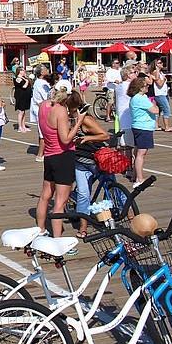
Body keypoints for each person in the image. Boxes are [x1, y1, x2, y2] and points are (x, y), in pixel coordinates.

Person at [36, 81, 85, 240]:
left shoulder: (44, 105)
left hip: (49, 156)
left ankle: (41, 229)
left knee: (45, 196)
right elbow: (65, 139)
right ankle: (57, 239)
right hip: (62, 157)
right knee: (60, 202)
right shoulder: (61, 111)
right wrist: (78, 122)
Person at [65, 91, 109, 238]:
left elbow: (105, 135)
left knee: (111, 189)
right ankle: (83, 227)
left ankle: (131, 218)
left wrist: (87, 138)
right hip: (80, 162)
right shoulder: (70, 119)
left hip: (95, 160)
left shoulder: (86, 120)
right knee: (83, 195)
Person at [129, 76, 159, 187]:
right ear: (140, 87)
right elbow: (155, 110)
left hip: (139, 126)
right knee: (141, 154)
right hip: (143, 128)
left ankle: (135, 175)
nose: (148, 87)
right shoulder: (140, 98)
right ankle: (139, 179)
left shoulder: (138, 97)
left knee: (137, 152)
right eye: (146, 85)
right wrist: (154, 105)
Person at [30, 64, 52, 162]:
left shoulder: (41, 82)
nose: (48, 70)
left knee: (42, 132)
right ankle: (40, 154)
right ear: (42, 73)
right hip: (41, 110)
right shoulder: (40, 83)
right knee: (43, 132)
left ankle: (43, 151)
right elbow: (46, 96)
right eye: (46, 69)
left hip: (40, 109)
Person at [149, 59, 172, 132]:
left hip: (164, 93)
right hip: (159, 94)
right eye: (159, 63)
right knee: (167, 109)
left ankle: (156, 126)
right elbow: (159, 84)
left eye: (162, 62)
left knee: (158, 110)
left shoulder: (160, 73)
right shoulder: (155, 73)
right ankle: (167, 127)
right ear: (156, 65)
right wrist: (164, 79)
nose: (162, 64)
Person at [115, 66, 137, 147]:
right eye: (134, 72)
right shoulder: (129, 87)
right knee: (129, 145)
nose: (136, 74)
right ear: (128, 75)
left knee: (123, 143)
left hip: (121, 117)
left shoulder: (119, 86)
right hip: (128, 118)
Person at [13, 66, 33, 132]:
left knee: (24, 112)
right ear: (20, 72)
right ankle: (20, 127)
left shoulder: (24, 78)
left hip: (25, 96)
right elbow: (24, 86)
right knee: (21, 111)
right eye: (23, 70)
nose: (24, 71)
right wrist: (27, 81)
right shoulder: (19, 79)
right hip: (20, 97)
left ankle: (23, 125)